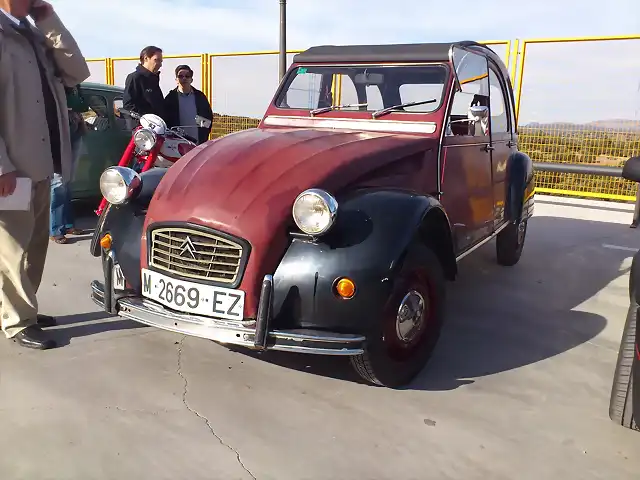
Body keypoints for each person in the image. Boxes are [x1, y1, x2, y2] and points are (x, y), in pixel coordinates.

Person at [0, 0, 90, 350]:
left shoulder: (34, 37)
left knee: (35, 246)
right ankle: (17, 321)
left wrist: (49, 20)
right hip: (14, 169)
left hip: (41, 162)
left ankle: (24, 310)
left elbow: (77, 71)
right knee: (12, 250)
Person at [49, 84, 89, 244]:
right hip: (58, 131)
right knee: (58, 182)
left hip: (75, 128)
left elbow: (82, 104)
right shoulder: (53, 76)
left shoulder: (73, 80)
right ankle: (55, 229)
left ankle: (68, 224)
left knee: (67, 181)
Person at [164, 65, 214, 145]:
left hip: (197, 144)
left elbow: (208, 118)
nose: (184, 78)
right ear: (176, 80)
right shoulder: (171, 98)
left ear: (191, 79)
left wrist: (203, 134)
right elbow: (166, 120)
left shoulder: (199, 96)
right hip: (177, 144)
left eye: (187, 76)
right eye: (180, 76)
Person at [122, 45, 165, 130]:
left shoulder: (154, 79)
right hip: (143, 132)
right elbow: (129, 106)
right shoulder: (135, 78)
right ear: (146, 58)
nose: (160, 64)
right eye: (157, 60)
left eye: (161, 61)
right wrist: (143, 122)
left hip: (157, 129)